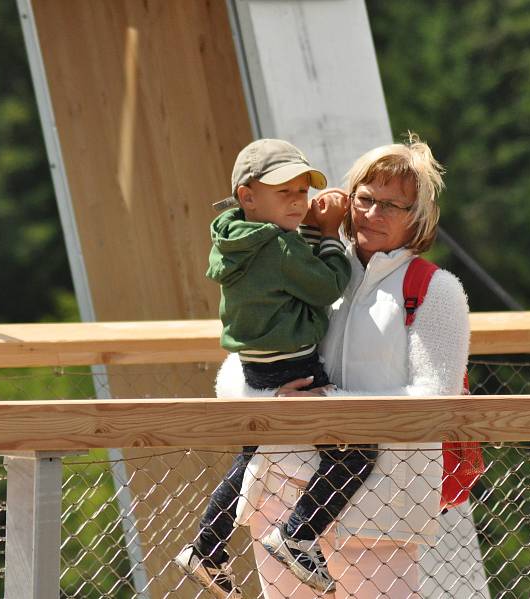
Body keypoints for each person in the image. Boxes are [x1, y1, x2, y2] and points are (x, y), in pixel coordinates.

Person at [217, 134, 470, 598]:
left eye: (392, 206)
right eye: (366, 199)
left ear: (418, 217)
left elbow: (437, 398)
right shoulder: (303, 261)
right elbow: (235, 369)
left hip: (382, 505)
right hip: (282, 490)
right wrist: (269, 399)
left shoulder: (437, 290)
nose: (373, 214)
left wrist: (332, 405)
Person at [175, 138, 377, 597]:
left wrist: (301, 228)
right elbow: (326, 284)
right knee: (356, 451)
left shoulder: (238, 239)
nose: (299, 201)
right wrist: (326, 234)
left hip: (259, 367)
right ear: (248, 196)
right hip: (294, 366)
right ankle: (298, 533)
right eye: (284, 192)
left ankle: (207, 547)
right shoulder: (276, 247)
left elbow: (291, 274)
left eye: (302, 192)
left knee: (253, 455)